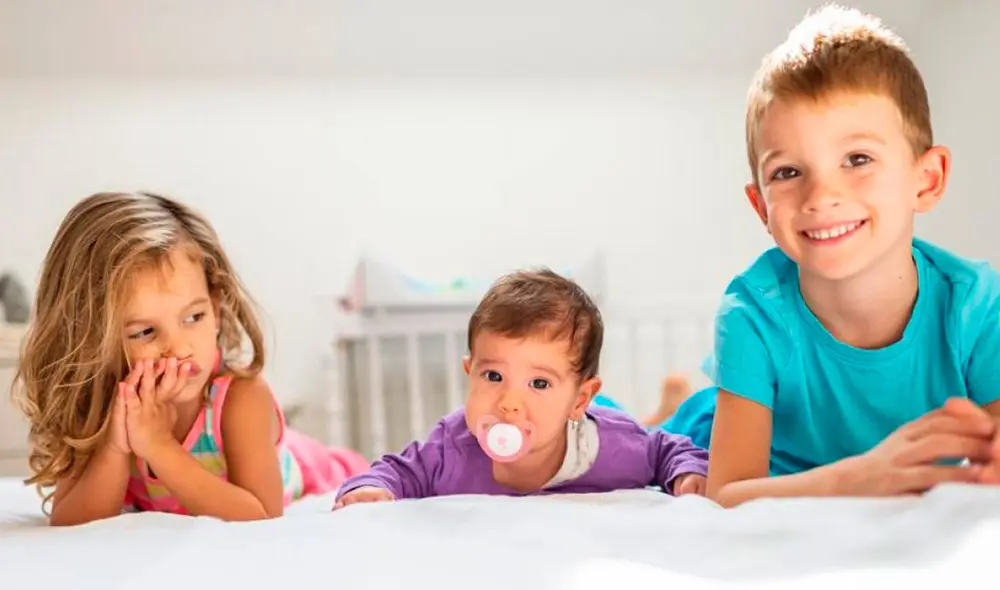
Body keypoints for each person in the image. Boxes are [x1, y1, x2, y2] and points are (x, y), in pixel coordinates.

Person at [668, 5, 1000, 508]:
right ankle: (671, 404)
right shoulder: (752, 314)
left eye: (857, 159)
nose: (821, 196)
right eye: (787, 172)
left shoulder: (976, 308)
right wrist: (860, 477)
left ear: (926, 180)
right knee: (648, 438)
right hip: (722, 421)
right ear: (761, 207)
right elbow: (727, 494)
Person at [13, 191, 368, 525]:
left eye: (194, 317)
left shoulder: (242, 399)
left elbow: (261, 516)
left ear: (215, 307)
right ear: (91, 342)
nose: (180, 348)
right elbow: (70, 521)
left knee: (352, 471)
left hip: (324, 472)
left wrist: (158, 446)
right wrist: (115, 447)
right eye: (144, 332)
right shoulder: (101, 407)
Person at [333, 269, 708, 508]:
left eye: (538, 383)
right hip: (564, 413)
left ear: (580, 398)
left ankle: (667, 409)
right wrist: (372, 489)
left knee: (657, 425)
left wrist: (685, 473)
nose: (509, 403)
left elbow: (664, 449)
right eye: (493, 377)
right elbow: (396, 471)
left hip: (590, 418)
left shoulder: (609, 444)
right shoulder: (450, 447)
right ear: (470, 372)